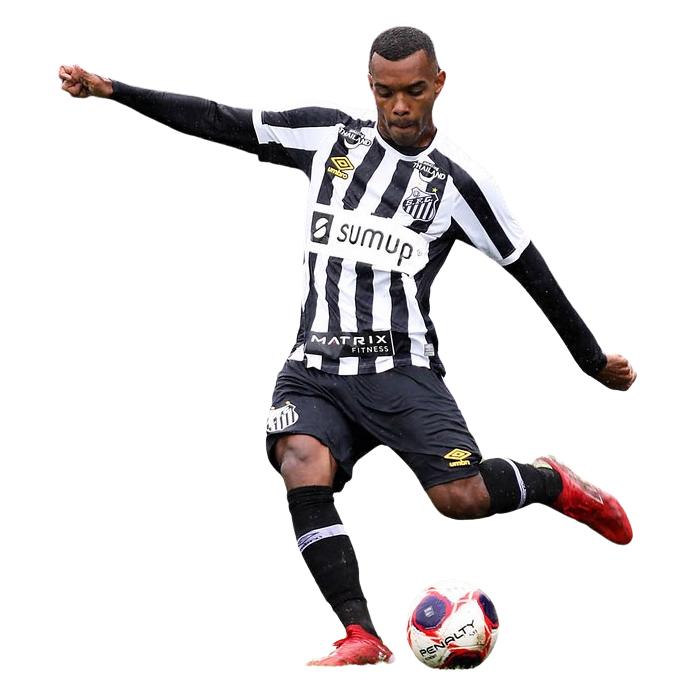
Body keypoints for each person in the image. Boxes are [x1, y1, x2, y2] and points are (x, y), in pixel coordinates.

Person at [58, 25, 637, 667]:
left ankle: (554, 484)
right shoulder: (328, 130)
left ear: (439, 84)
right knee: (299, 459)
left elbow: (530, 271)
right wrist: (114, 91)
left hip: (401, 365)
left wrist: (592, 360)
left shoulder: (463, 180)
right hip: (314, 363)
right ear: (370, 86)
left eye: (414, 91)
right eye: (385, 92)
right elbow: (222, 120)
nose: (399, 107)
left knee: (461, 500)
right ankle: (362, 635)